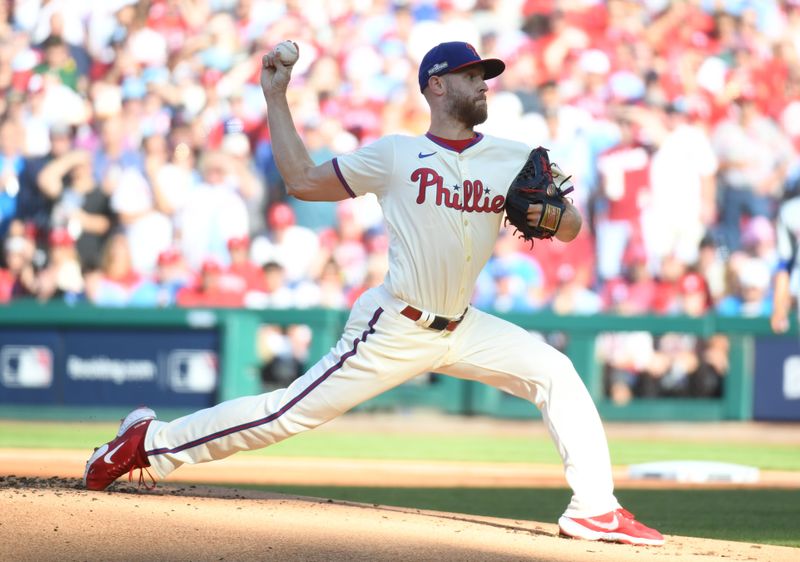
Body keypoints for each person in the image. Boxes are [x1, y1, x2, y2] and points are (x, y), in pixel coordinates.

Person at [83, 41, 663, 547]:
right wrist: (276, 98)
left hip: (463, 325)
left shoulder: (515, 157)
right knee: (284, 413)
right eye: (469, 75)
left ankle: (594, 508)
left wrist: (555, 217)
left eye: (484, 75)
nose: (481, 83)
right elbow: (303, 182)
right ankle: (146, 445)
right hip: (396, 326)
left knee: (556, 371)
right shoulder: (395, 154)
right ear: (436, 86)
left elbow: (573, 226)